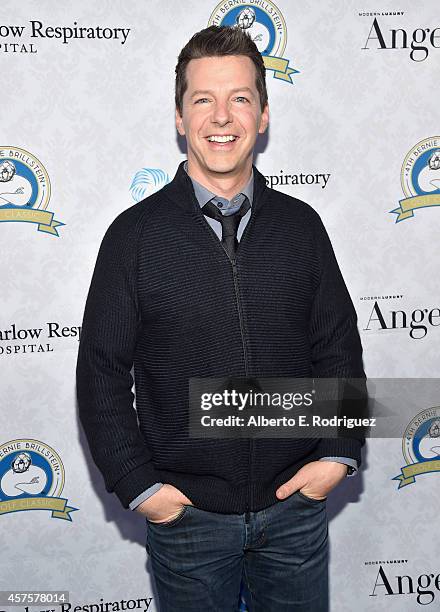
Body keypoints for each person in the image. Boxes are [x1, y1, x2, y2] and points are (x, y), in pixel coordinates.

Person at [77, 25, 365, 612]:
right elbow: (101, 373)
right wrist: (141, 487)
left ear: (263, 115)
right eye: (202, 99)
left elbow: (337, 346)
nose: (221, 117)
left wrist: (337, 452)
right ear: (180, 117)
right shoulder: (132, 236)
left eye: (240, 98)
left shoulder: (302, 227)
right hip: (188, 523)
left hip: (295, 514)